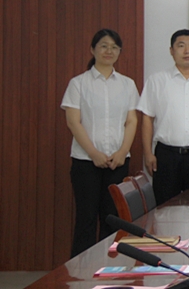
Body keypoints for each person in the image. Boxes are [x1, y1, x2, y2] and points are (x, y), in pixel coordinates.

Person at [61, 29, 139, 256]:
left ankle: (110, 267)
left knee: (113, 219)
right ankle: (80, 272)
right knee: (85, 219)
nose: (109, 51)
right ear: (92, 49)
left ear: (119, 52)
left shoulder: (127, 84)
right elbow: (73, 122)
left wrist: (123, 151)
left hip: (118, 162)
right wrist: (93, 153)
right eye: (104, 46)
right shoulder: (78, 83)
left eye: (114, 47)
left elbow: (131, 121)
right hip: (85, 162)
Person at [137, 29, 189, 205]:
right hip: (167, 156)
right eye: (181, 46)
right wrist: (148, 153)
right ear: (171, 51)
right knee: (165, 208)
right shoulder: (156, 80)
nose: (187, 51)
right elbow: (147, 119)